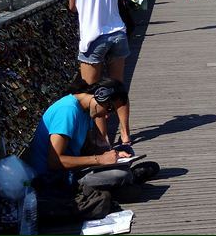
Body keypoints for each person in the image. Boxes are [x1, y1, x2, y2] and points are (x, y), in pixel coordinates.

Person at [28, 77, 159, 200]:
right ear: (100, 96)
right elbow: (54, 161)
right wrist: (100, 159)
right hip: (53, 178)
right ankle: (124, 181)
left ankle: (120, 183)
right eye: (109, 108)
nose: (107, 116)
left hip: (70, 169)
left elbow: (85, 148)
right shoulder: (67, 111)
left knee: (127, 150)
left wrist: (114, 155)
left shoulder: (85, 110)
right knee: (121, 175)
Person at [68, 0, 131, 149]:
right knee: (118, 87)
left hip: (93, 38)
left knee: (93, 91)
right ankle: (125, 134)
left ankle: (103, 139)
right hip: (117, 34)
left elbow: (72, 6)